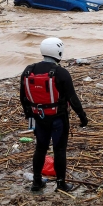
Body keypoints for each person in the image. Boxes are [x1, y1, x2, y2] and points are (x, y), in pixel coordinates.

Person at [19, 37, 88, 193]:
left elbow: (23, 97)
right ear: (59, 52)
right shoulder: (61, 73)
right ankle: (61, 184)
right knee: (59, 151)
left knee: (40, 149)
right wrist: (83, 117)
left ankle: (36, 182)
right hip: (58, 119)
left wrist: (29, 115)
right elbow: (73, 99)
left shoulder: (28, 70)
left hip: (38, 117)